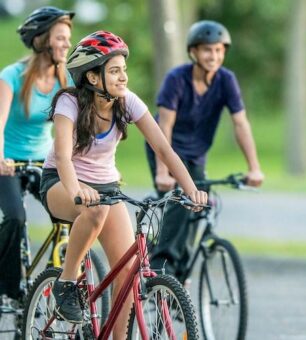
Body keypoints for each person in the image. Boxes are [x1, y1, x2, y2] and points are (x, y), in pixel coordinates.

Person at [40, 31, 208, 338]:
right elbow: (63, 157)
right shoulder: (69, 103)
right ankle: (66, 283)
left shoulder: (126, 102)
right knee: (94, 212)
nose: (123, 77)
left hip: (107, 189)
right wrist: (77, 189)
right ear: (92, 77)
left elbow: (164, 149)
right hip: (61, 183)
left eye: (124, 70)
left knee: (128, 272)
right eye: (114, 70)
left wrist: (189, 187)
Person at [145, 20, 263, 282]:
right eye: (208, 50)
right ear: (194, 52)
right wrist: (163, 172)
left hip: (196, 154)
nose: (214, 56)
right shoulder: (176, 79)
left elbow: (240, 123)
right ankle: (161, 268)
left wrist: (254, 167)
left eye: (219, 50)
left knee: (197, 205)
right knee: (179, 200)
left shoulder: (226, 80)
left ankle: (178, 278)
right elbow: (165, 125)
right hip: (166, 148)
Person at [0, 6, 73, 301]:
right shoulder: (12, 76)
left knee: (70, 215)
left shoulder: (64, 79)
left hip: (45, 160)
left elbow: (73, 127)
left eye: (68, 38)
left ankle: (64, 281)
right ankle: (10, 286)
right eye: (61, 38)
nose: (67, 44)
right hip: (8, 161)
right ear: (41, 40)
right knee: (15, 218)